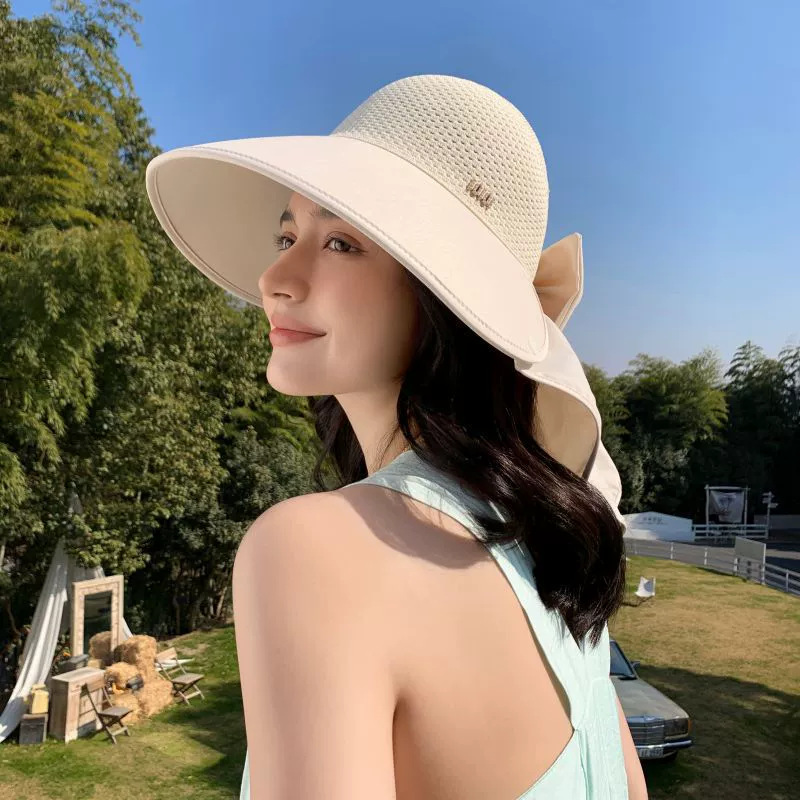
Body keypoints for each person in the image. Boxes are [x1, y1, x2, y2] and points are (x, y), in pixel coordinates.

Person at [145, 74, 648, 799]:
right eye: (287, 235)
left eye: (340, 241)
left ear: (443, 294)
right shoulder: (557, 556)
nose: (275, 277)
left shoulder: (315, 553)